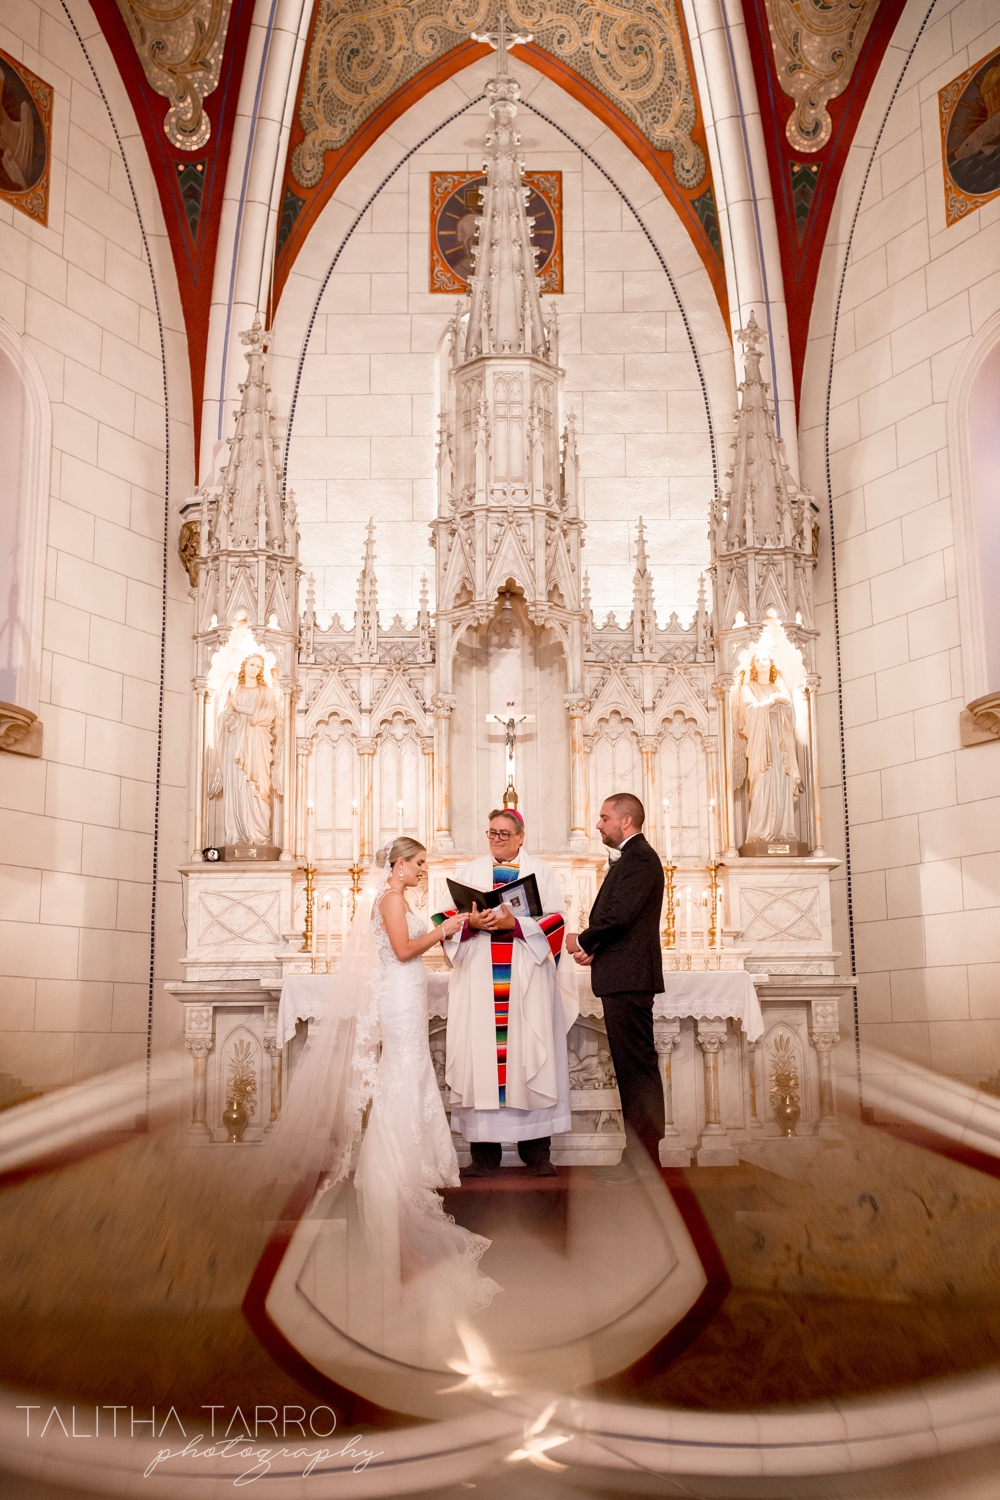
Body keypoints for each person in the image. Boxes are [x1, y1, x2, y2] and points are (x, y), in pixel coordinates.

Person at [443, 809, 578, 1178]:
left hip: (525, 977)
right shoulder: (469, 871)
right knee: (481, 1058)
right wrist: (469, 922)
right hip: (479, 975)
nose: (497, 839)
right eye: (491, 833)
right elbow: (445, 920)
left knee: (526, 1055)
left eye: (504, 833)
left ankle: (537, 1152)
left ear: (521, 836)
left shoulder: (540, 871)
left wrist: (514, 924)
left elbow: (556, 920)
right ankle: (483, 1156)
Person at [570, 794, 665, 1163]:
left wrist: (582, 939)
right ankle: (640, 1156)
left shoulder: (639, 858)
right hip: (622, 974)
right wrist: (597, 950)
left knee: (637, 1070)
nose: (598, 824)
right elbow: (624, 919)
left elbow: (621, 916)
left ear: (626, 821)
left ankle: (644, 1158)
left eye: (604, 817)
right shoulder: (633, 858)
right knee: (631, 1069)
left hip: (629, 978)